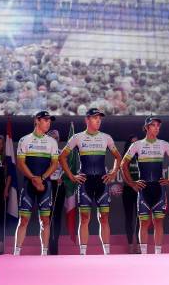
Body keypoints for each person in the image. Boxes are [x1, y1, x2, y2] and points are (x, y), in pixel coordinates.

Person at [59, 108, 122, 255]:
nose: (98, 120)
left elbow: (118, 157)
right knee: (85, 218)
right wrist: (72, 176)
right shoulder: (77, 137)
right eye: (95, 118)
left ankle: (107, 253)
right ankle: (83, 253)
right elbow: (62, 157)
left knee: (104, 218)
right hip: (85, 182)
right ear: (87, 120)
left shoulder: (106, 137)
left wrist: (113, 172)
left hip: (102, 182)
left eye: (100, 118)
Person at [121, 116, 169, 254]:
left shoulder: (164, 144)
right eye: (154, 125)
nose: (157, 128)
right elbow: (123, 164)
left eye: (158, 126)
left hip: (159, 189)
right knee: (143, 223)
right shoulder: (137, 145)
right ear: (146, 127)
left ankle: (158, 254)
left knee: (158, 222)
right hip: (144, 189)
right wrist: (131, 183)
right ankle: (144, 254)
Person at [13, 111, 59, 256]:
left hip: (45, 185)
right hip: (29, 184)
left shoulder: (52, 142)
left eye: (49, 121)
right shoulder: (24, 140)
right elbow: (20, 163)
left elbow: (54, 163)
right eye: (45, 120)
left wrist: (42, 178)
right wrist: (34, 178)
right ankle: (16, 252)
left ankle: (44, 253)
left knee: (45, 220)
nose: (48, 123)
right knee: (24, 219)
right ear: (37, 121)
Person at [121, 134, 140, 254]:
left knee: (140, 218)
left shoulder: (143, 154)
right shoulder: (125, 157)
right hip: (128, 189)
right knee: (129, 218)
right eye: (132, 143)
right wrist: (131, 184)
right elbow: (123, 173)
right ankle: (129, 245)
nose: (134, 145)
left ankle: (138, 245)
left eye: (136, 142)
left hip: (140, 189)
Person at [47, 129, 65, 255]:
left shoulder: (61, 154)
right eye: (52, 137)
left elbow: (67, 169)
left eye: (56, 138)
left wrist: (62, 177)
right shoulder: (44, 153)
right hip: (47, 185)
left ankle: (55, 245)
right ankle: (46, 246)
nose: (55, 140)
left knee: (57, 216)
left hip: (59, 185)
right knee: (46, 216)